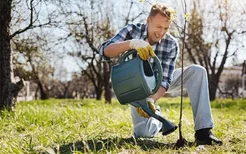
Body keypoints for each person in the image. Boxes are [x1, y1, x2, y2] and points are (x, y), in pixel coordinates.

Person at [99, 3, 222, 146]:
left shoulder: (171, 44)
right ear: (148, 21)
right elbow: (105, 51)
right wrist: (132, 43)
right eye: (158, 27)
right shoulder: (132, 30)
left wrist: (152, 99)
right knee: (143, 134)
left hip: (158, 82)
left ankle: (203, 132)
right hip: (137, 86)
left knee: (197, 71)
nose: (161, 32)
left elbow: (165, 79)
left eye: (166, 28)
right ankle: (157, 120)